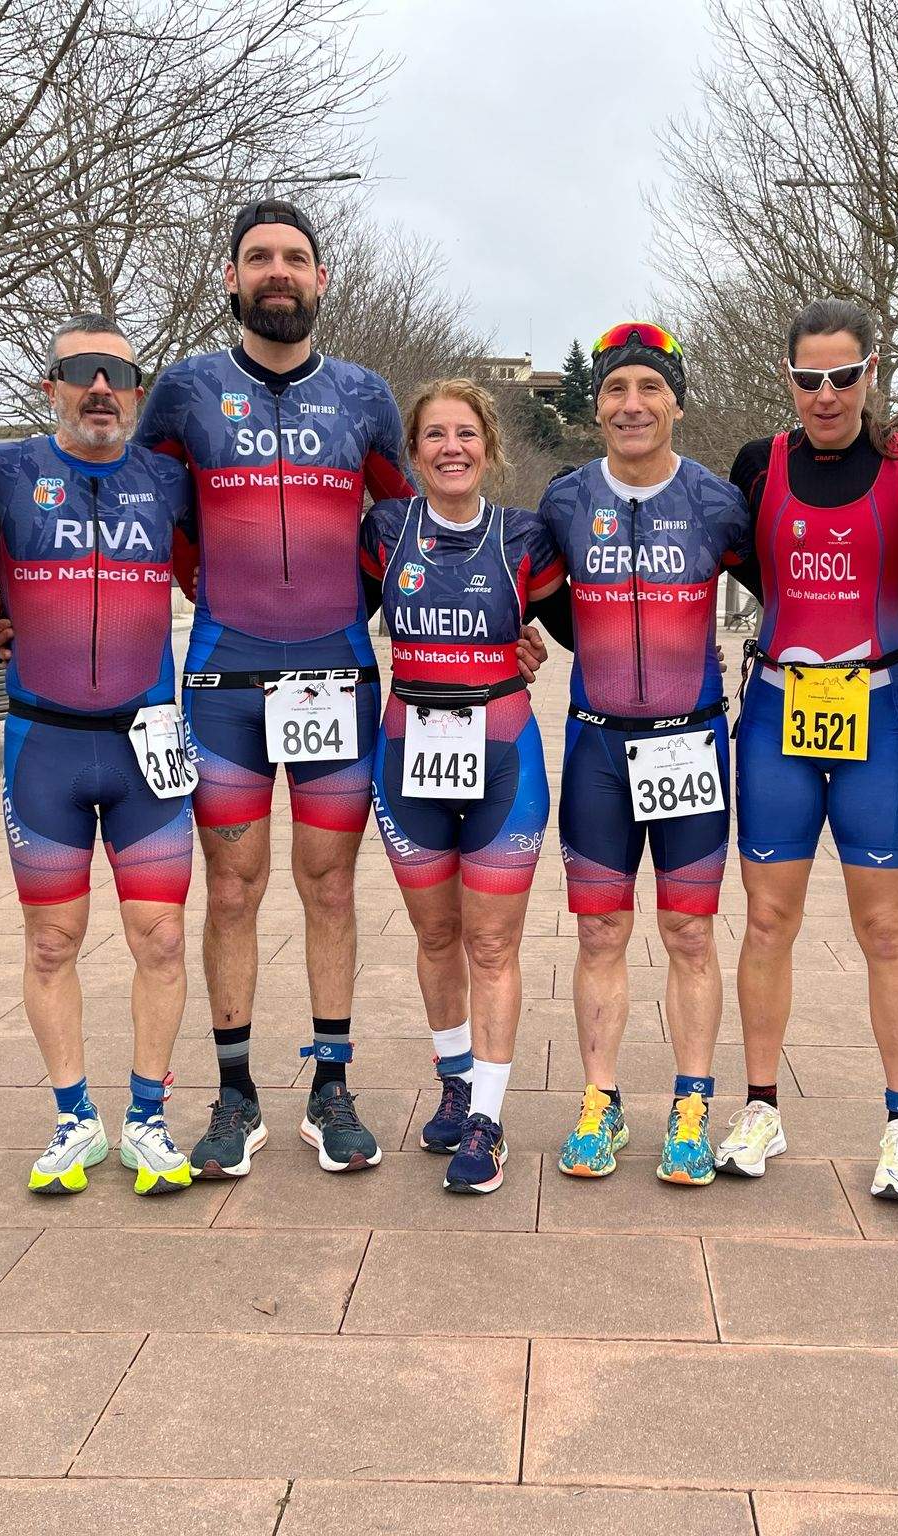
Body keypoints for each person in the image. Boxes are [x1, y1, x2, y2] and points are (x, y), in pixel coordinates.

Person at [135, 200, 414, 1177]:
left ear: (322, 279)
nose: (277, 272)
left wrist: (359, 600)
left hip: (338, 676)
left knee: (330, 886)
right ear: (231, 278)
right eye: (258, 258)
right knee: (235, 889)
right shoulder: (184, 392)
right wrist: (213, 591)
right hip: (222, 681)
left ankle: (330, 1088)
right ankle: (236, 1093)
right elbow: (150, 517)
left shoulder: (366, 395)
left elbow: (404, 528)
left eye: (294, 258)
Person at [719, 299, 898, 1196]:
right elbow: (741, 558)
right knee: (769, 923)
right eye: (810, 378)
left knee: (885, 930)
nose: (827, 395)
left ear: (872, 375)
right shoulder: (759, 465)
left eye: (845, 376)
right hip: (780, 717)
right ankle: (761, 1107)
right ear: (788, 379)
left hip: (879, 720)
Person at [0, 315, 200, 1196]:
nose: (100, 388)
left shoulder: (169, 480)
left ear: (138, 392)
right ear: (49, 385)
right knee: (53, 941)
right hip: (43, 742)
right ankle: (74, 1119)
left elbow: (236, 569)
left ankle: (146, 1117)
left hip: (147, 743)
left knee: (162, 937)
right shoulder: (5, 470)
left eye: (118, 374)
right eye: (80, 371)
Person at [531, 321, 752, 1186]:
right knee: (600, 931)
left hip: (689, 740)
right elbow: (539, 599)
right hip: (596, 746)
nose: (632, 404)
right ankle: (601, 1099)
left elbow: (786, 581)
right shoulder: (563, 500)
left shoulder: (714, 502)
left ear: (677, 405)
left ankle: (691, 1105)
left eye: (650, 389)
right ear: (597, 409)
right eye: (617, 390)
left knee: (690, 932)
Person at [360, 380, 565, 1194]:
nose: (452, 447)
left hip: (504, 753)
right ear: (412, 453)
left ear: (490, 448)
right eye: (435, 435)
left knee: (491, 942)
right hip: (408, 753)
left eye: (467, 434)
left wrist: (536, 645)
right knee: (437, 936)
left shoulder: (526, 537)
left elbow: (580, 619)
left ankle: (488, 1118)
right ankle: (454, 1081)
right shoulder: (384, 531)